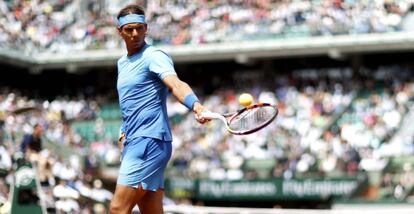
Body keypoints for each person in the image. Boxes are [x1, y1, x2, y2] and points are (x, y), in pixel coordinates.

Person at [110, 4, 209, 214]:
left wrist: (196, 104)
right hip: (135, 141)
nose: (135, 33)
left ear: (146, 28)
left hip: (150, 141)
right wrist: (123, 132)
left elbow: (176, 84)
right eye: (129, 29)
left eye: (139, 28)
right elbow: (131, 103)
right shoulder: (122, 63)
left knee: (118, 209)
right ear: (120, 31)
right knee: (151, 211)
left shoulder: (154, 55)